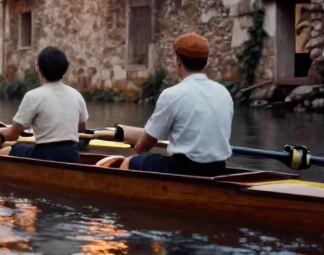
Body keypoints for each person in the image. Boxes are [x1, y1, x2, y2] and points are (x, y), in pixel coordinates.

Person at [97, 32, 232, 176]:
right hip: (219, 169)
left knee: (129, 162)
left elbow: (148, 142)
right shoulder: (224, 93)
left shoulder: (172, 94)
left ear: (178, 61)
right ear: (205, 62)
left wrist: (135, 157)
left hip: (184, 169)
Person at [0, 46, 88, 162]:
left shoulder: (33, 96)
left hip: (45, 156)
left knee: (7, 151)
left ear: (40, 70)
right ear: (64, 69)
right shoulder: (77, 95)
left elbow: (13, 135)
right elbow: (81, 130)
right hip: (72, 155)